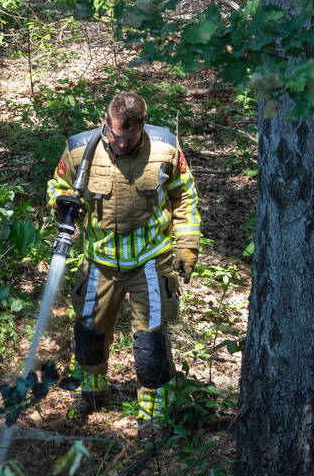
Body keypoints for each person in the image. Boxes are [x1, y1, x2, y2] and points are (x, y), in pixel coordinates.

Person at [46, 92, 202, 437]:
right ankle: (92, 395)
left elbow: (184, 195)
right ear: (106, 120)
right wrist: (61, 202)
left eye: (128, 139)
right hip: (98, 261)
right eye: (115, 136)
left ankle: (153, 417)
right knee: (89, 334)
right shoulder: (78, 148)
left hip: (150, 261)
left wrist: (187, 243)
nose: (120, 144)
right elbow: (57, 185)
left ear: (142, 128)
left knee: (151, 345)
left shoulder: (166, 148)